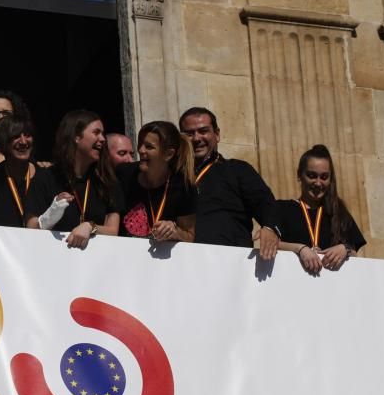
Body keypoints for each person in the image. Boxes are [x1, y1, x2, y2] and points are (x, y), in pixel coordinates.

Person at [179, 107, 280, 258]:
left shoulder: (238, 170)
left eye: (203, 131)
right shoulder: (174, 176)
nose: (196, 138)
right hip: (184, 262)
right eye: (189, 134)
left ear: (217, 134)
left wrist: (270, 228)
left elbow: (266, 205)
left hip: (231, 263)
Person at [25, 110, 123, 249]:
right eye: (96, 132)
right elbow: (30, 227)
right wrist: (49, 217)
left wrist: (90, 226)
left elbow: (113, 231)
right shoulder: (46, 178)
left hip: (96, 263)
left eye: (102, 133)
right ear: (76, 137)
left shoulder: (107, 181)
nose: (102, 138)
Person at [276, 145, 366, 275]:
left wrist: (344, 249)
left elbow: (354, 253)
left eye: (324, 177)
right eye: (312, 175)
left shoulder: (338, 212)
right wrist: (300, 249)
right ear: (299, 175)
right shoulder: (282, 208)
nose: (318, 183)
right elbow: (270, 244)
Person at [117, 121, 197, 242]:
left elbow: (190, 236)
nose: (141, 150)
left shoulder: (183, 185)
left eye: (149, 147)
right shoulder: (124, 174)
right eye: (140, 144)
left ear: (168, 154)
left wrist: (175, 232)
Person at [0, 114, 37, 228]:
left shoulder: (45, 177)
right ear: (3, 142)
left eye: (27, 135)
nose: (23, 142)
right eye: (16, 136)